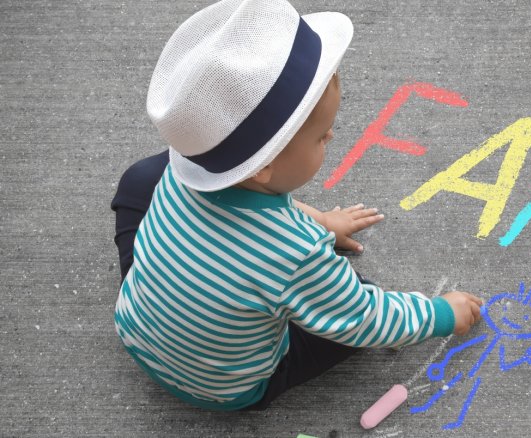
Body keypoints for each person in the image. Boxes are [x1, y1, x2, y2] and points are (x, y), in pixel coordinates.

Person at [109, 0, 483, 411]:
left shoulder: (185, 170)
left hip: (136, 330)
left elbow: (251, 212)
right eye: (322, 136)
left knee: (139, 181)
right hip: (226, 389)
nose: (332, 138)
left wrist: (320, 220)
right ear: (265, 166)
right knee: (358, 298)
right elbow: (364, 318)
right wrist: (441, 314)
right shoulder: (296, 253)